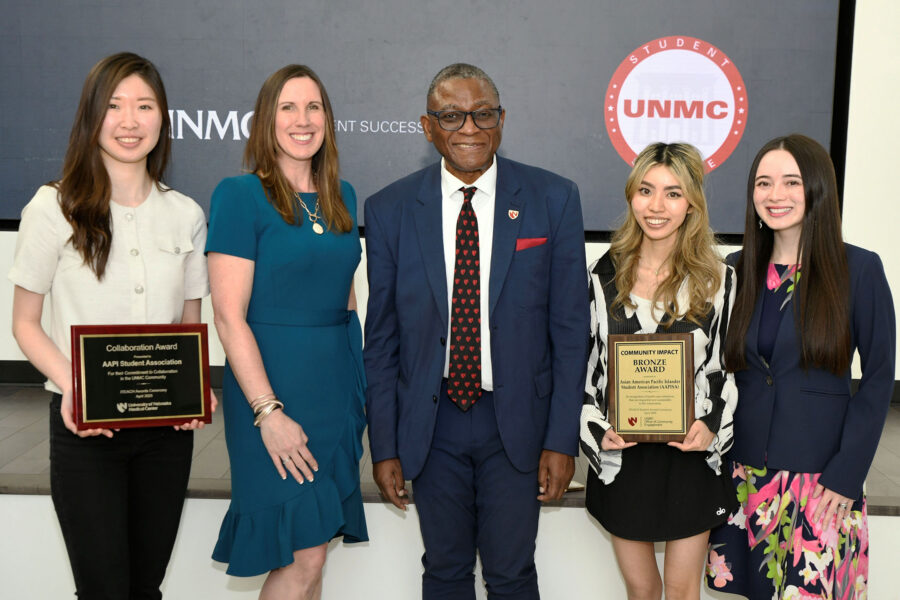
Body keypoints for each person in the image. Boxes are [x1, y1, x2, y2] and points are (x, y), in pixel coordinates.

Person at [363, 62, 589, 599]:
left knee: (512, 574)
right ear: (427, 126)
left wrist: (561, 439)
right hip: (431, 424)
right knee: (444, 572)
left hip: (516, 424)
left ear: (501, 120)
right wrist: (384, 444)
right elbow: (383, 341)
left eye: (482, 114)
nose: (469, 127)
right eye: (452, 115)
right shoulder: (391, 209)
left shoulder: (552, 198)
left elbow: (571, 330)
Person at [9, 52, 210, 599]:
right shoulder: (52, 208)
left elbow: (188, 325)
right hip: (84, 430)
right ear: (91, 117)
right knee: (102, 590)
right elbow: (25, 323)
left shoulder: (186, 214)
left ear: (163, 118)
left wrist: (194, 391)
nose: (129, 121)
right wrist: (75, 388)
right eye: (115, 106)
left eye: (144, 106)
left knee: (146, 587)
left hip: (166, 437)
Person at [706, 134, 895, 599]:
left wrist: (846, 473)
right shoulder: (735, 270)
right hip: (744, 478)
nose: (775, 195)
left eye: (791, 182)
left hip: (822, 482)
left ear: (817, 189)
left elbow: (876, 382)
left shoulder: (860, 270)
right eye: (763, 183)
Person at [206, 64, 367, 599]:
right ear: (265, 120)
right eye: (288, 108)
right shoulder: (239, 195)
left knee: (315, 550)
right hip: (271, 393)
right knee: (303, 555)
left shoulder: (341, 193)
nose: (303, 120)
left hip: (334, 390)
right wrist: (268, 411)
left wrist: (358, 390)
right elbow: (229, 316)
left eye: (314, 107)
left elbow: (345, 295)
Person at [580, 142, 738, 600]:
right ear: (632, 195)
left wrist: (711, 427)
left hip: (690, 454)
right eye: (646, 190)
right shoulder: (603, 274)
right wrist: (595, 427)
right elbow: (588, 369)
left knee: (682, 590)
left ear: (691, 204)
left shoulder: (719, 277)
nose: (656, 205)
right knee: (642, 589)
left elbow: (727, 369)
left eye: (673, 193)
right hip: (623, 454)